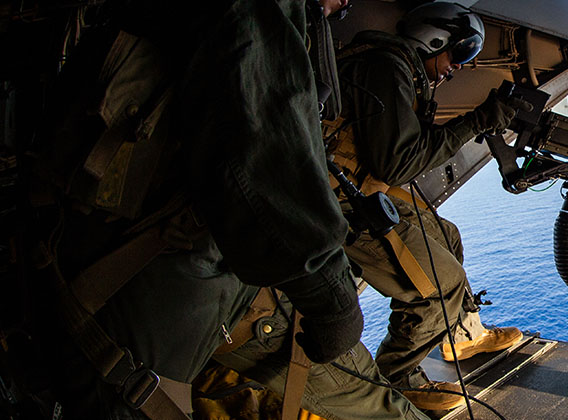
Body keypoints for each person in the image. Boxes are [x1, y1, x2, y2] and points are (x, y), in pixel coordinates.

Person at [17, 0, 373, 418]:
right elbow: (261, 153)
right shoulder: (254, 11)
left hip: (107, 282)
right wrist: (334, 301)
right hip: (123, 300)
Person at [325, 1, 530, 411]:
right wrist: (476, 121)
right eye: (457, 53)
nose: (456, 66)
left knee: (446, 235)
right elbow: (397, 162)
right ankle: (398, 381)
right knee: (441, 286)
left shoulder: (390, 66)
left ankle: (462, 334)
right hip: (335, 207)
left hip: (356, 191)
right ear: (432, 40)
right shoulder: (387, 67)